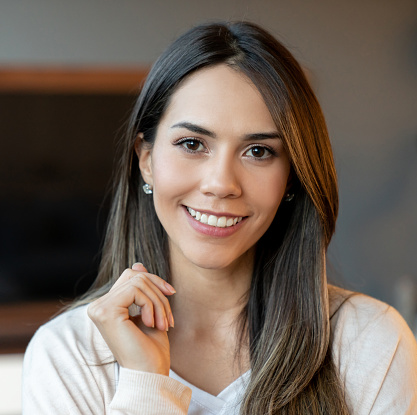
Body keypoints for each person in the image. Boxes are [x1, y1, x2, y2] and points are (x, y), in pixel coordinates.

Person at [22, 21, 417, 414]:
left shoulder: (371, 342)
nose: (221, 183)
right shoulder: (68, 356)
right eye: (192, 144)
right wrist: (146, 386)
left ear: (292, 177)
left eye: (259, 151)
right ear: (146, 160)